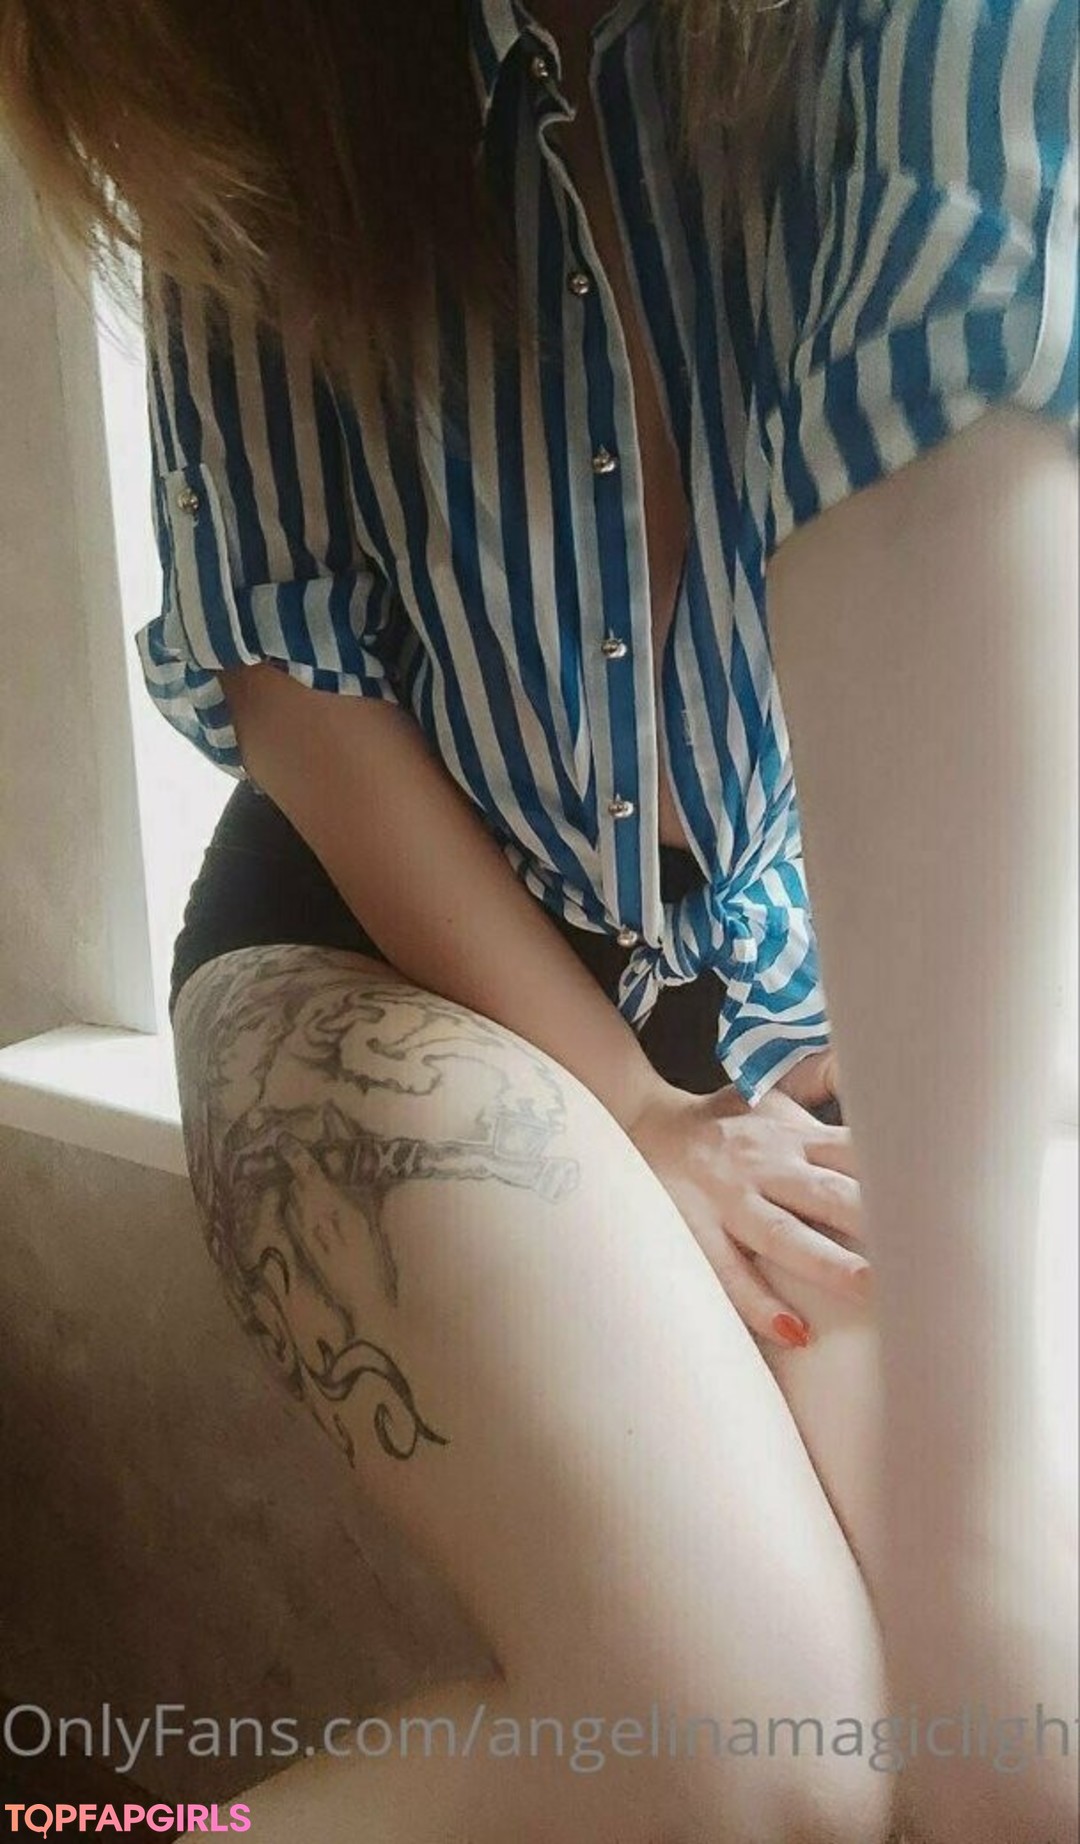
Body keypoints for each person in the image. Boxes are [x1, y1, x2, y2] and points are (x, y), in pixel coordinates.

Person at [1, 1, 1076, 1839]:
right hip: (372, 939)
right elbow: (290, 681)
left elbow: (971, 446)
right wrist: (638, 1114)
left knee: (1020, 1729)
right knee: (753, 1757)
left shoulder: (863, 47)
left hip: (758, 979)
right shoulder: (266, 72)